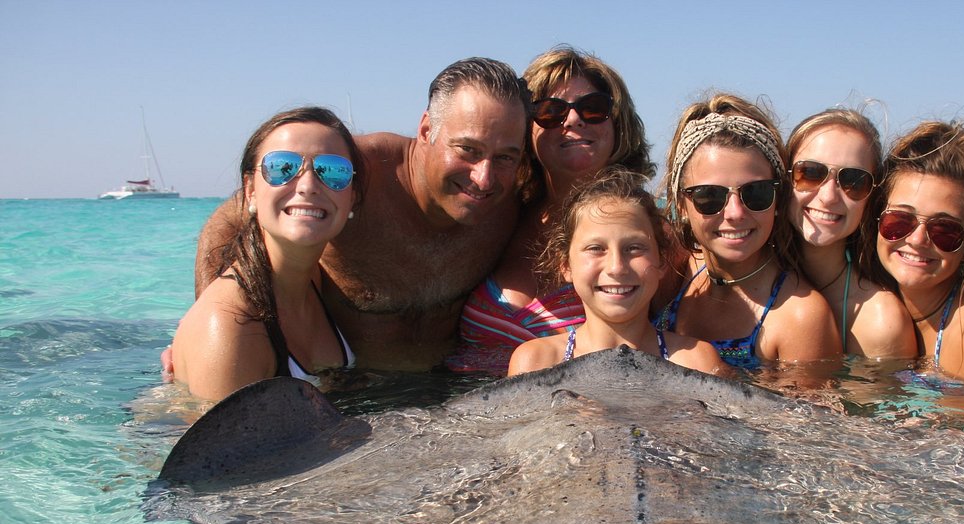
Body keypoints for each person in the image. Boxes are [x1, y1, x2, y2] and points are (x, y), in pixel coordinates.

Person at [191, 58, 528, 371]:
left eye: (505, 158)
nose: (484, 177)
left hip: (446, 391)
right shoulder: (352, 171)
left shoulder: (508, 205)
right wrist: (208, 333)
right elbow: (230, 220)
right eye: (468, 149)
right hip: (346, 393)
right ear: (426, 130)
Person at [453, 47, 655, 373]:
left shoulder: (650, 236)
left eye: (593, 108)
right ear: (524, 128)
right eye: (550, 111)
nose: (573, 119)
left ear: (619, 124)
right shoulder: (498, 214)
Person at [171, 107, 365, 402]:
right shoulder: (231, 327)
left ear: (351, 196)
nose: (309, 186)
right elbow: (220, 446)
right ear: (250, 191)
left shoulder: (315, 280)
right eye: (282, 168)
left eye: (333, 171)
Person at [658, 95, 840, 370]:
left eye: (756, 194)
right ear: (682, 204)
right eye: (710, 196)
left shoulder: (800, 317)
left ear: (777, 199)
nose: (735, 213)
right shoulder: (677, 275)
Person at [508, 168, 725, 376]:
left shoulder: (696, 361)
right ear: (565, 265)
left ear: (662, 262)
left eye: (634, 248)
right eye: (596, 249)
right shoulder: (536, 361)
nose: (617, 267)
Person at [861, 120, 964, 381]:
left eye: (944, 230)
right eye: (900, 220)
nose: (917, 239)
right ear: (877, 219)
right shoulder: (868, 299)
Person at [785, 109, 914, 358]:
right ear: (786, 178)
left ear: (871, 197)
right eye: (810, 173)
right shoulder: (748, 278)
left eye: (854, 181)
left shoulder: (880, 322)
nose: (829, 196)